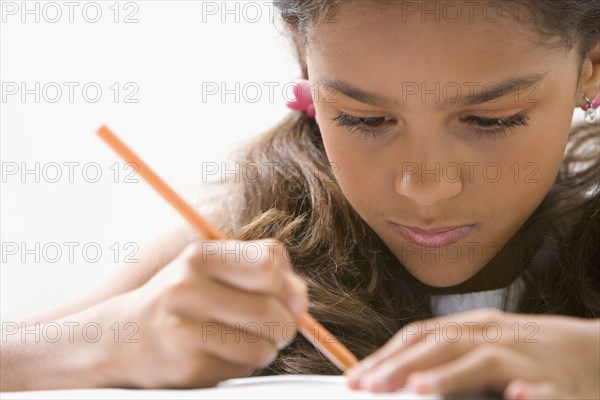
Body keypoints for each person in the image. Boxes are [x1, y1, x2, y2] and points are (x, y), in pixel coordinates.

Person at [2, 1, 599, 398]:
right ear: (304, 60)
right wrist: (108, 339)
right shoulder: (252, 233)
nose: (422, 186)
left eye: (492, 120)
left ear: (591, 69)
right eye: (364, 119)